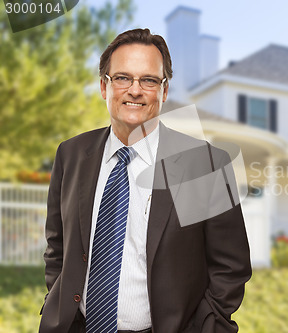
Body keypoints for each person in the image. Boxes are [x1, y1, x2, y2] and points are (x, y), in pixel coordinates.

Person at [39, 28, 252, 333]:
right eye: (123, 78)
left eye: (149, 80)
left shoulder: (201, 164)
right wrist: (56, 302)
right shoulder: (72, 154)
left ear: (164, 92)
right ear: (104, 86)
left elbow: (230, 268)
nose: (135, 90)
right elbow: (57, 246)